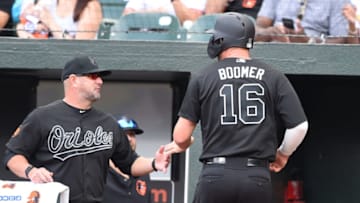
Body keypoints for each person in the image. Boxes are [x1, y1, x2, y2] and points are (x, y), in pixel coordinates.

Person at [164, 12, 308, 203]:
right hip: (256, 176)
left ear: (222, 39)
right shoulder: (273, 76)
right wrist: (282, 154)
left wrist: (184, 143)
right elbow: (299, 126)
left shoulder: (203, 76)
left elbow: (180, 137)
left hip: (216, 176)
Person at [3, 55, 170, 203]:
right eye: (93, 76)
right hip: (54, 199)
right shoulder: (42, 117)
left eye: (100, 77)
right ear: (74, 80)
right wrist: (31, 171)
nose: (100, 81)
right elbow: (12, 155)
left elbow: (130, 163)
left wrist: (155, 163)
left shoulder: (108, 123)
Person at [103, 116, 152, 203]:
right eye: (123, 134)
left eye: (132, 134)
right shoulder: (98, 172)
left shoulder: (143, 172)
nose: (129, 139)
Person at [255, 0, 350, 43]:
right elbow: (257, 29)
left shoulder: (339, 1)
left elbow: (341, 40)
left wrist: (309, 41)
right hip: (276, 49)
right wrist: (270, 32)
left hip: (316, 58)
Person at [16, 0, 102, 39]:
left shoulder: (91, 6)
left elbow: (80, 48)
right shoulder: (48, 2)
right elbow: (28, 25)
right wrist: (21, 29)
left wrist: (52, 24)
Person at [122, 0, 206, 26]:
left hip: (178, 44)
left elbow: (195, 23)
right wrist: (157, 13)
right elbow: (127, 16)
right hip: (146, 37)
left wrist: (176, 3)